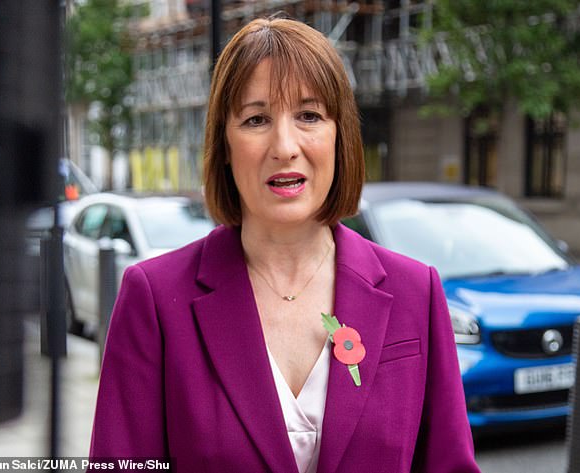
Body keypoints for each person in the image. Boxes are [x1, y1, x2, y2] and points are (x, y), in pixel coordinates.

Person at [89, 16, 480, 473]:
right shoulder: (154, 299)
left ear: (340, 137)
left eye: (309, 116)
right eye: (256, 119)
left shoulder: (417, 291)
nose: (285, 145)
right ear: (224, 145)